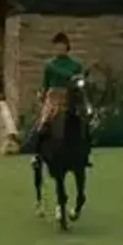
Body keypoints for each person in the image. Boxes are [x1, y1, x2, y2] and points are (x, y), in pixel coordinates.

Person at [21, 31, 93, 165]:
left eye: (62, 46)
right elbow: (46, 83)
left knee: (84, 121)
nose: (59, 49)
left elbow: (80, 81)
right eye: (57, 46)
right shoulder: (49, 64)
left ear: (67, 47)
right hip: (54, 96)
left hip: (71, 94)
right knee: (43, 121)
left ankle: (85, 153)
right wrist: (42, 96)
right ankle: (37, 155)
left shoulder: (76, 64)